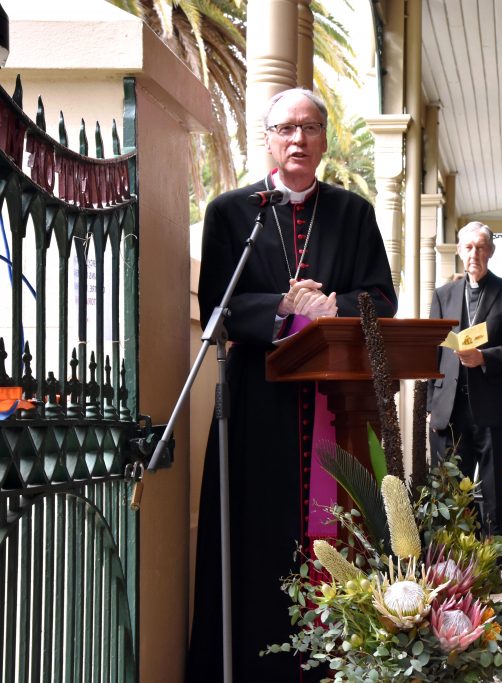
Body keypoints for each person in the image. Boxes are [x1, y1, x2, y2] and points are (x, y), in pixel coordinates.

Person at [190, 88, 397, 682]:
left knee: (338, 538)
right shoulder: (233, 213)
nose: (298, 140)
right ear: (268, 139)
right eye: (285, 129)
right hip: (259, 403)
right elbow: (217, 310)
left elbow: (383, 298)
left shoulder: (353, 213)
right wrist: (280, 307)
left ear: (325, 140)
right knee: (255, 536)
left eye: (309, 128)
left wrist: (336, 307)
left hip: (336, 405)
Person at [428, 222, 502, 542]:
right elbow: (432, 354)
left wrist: (484, 357)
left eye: (481, 247)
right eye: (469, 247)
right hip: (450, 410)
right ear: (459, 251)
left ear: (491, 251)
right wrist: (432, 407)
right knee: (448, 496)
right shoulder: (443, 295)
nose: (475, 253)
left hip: (492, 409)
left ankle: (493, 570)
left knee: (493, 492)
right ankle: (453, 565)